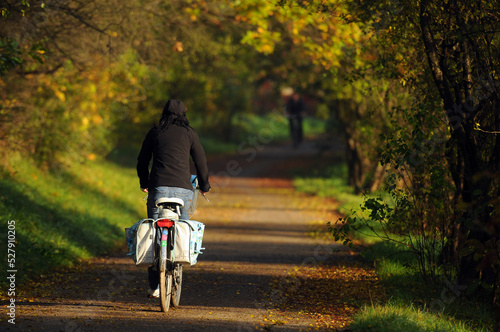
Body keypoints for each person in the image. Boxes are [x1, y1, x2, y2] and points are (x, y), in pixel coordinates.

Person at [137, 98, 210, 298]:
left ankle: (154, 285)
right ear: (184, 115)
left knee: (153, 229)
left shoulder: (155, 132)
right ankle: (180, 259)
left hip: (158, 189)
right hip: (183, 191)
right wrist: (204, 186)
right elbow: (200, 161)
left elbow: (142, 160)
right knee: (183, 230)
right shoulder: (190, 134)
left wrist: (144, 182)